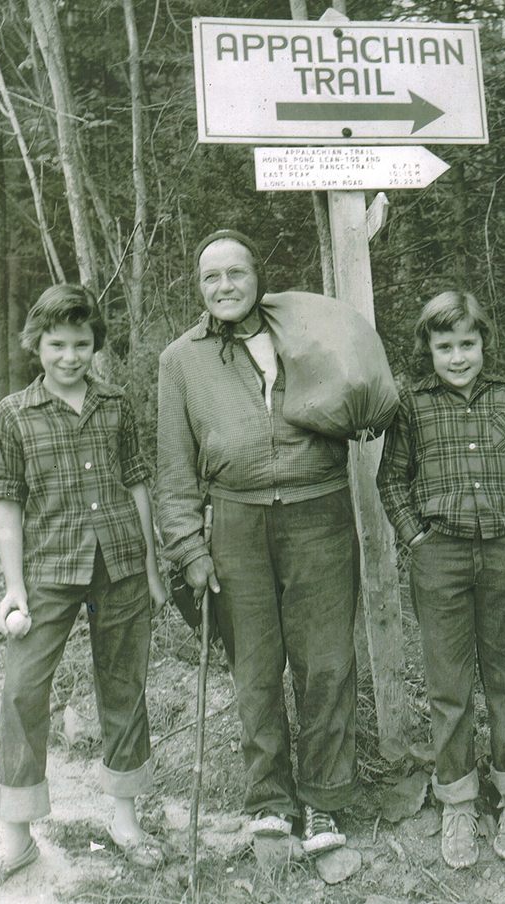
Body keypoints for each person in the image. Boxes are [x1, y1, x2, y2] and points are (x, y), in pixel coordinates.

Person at [156, 229, 359, 854]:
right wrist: (189, 547)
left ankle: (324, 803)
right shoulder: (180, 359)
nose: (224, 287)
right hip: (235, 523)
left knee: (326, 663)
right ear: (199, 288)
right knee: (256, 669)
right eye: (210, 277)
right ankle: (270, 801)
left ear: (256, 276)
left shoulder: (301, 332)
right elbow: (173, 463)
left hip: (319, 514)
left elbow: (358, 395)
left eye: (235, 273)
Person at [0, 284, 167, 897]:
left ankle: (127, 823)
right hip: (48, 571)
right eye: (57, 344)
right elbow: (7, 506)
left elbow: (138, 487)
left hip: (122, 564)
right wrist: (15, 590)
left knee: (124, 689)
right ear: (37, 345)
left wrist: (154, 570)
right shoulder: (12, 413)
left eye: (81, 344)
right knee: (23, 692)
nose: (70, 356)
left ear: (94, 345)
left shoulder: (116, 404)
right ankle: (16, 841)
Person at [377, 291, 505, 870]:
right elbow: (392, 481)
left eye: (467, 344)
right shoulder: (411, 404)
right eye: (444, 346)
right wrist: (418, 540)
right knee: (449, 687)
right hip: (440, 555)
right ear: (428, 349)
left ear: (483, 344)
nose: (457, 357)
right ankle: (458, 800)